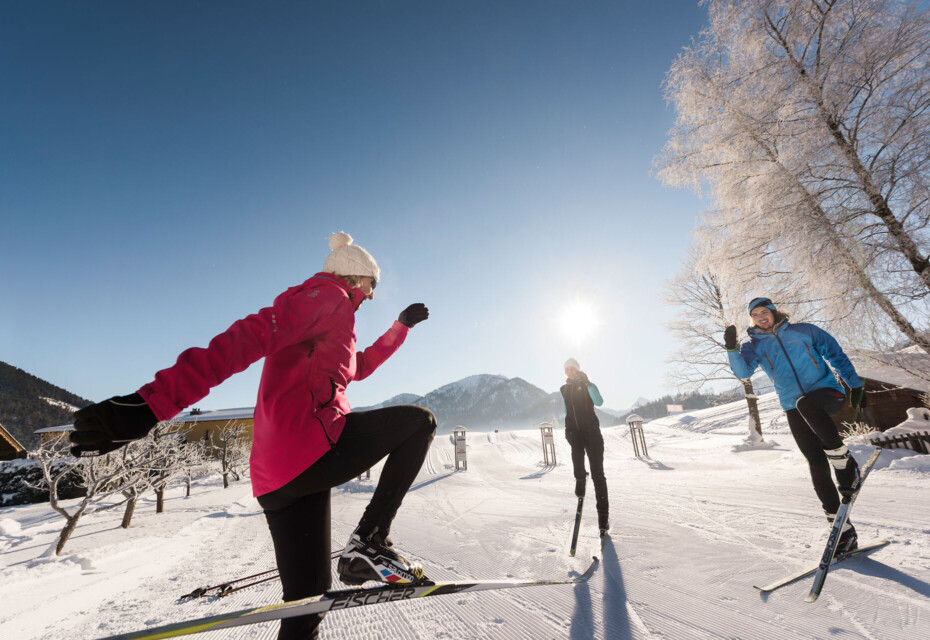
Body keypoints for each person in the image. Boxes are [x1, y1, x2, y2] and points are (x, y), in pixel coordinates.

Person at [70, 232, 436, 639]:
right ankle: (370, 540)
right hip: (310, 447)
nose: (371, 295)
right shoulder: (327, 297)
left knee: (307, 604)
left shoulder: (332, 316)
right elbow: (249, 336)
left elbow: (357, 367)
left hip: (277, 477)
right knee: (419, 422)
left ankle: (361, 552)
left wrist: (399, 329)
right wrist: (153, 403)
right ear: (355, 276)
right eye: (372, 285)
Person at [724, 297, 867, 553]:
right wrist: (732, 349)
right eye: (755, 314)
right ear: (752, 319)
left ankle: (846, 465)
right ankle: (843, 532)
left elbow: (835, 353)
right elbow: (743, 373)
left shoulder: (803, 331)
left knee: (806, 404)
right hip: (794, 406)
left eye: (764, 311)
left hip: (827, 394)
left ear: (773, 312)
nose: (760, 317)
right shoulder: (755, 346)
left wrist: (854, 384)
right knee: (815, 462)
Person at [560, 358, 609, 534]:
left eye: (573, 369)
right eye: (568, 370)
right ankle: (580, 480)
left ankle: (603, 519)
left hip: (592, 435)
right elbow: (567, 411)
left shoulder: (588, 385)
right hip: (577, 435)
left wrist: (589, 385)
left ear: (578, 370)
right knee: (577, 460)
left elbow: (599, 402)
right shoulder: (564, 389)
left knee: (598, 476)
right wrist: (568, 431)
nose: (571, 372)